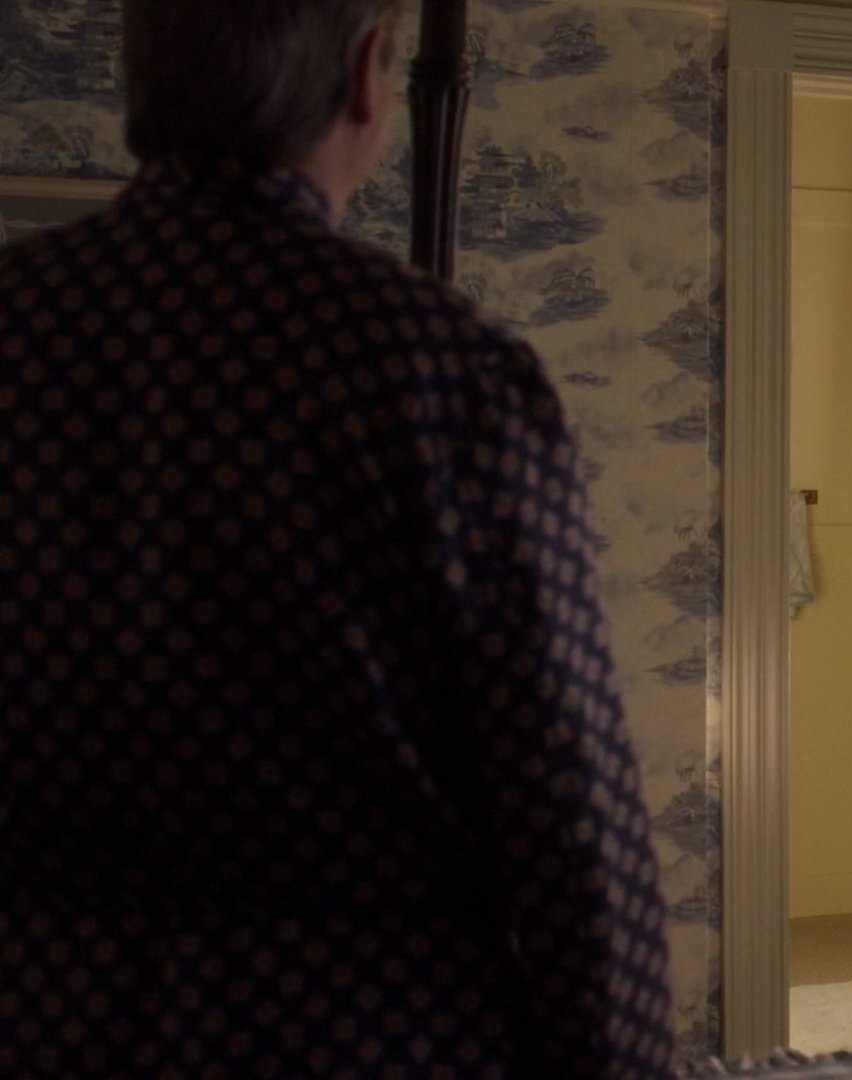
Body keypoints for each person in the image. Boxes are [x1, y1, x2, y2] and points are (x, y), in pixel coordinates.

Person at [0, 3, 675, 1076]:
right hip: (366, 1032)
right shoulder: (437, 369)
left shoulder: (22, 327)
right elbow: (566, 802)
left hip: (43, 1024)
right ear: (366, 77)